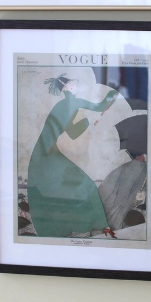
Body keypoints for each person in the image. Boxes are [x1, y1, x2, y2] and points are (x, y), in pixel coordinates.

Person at [26, 74, 118, 239]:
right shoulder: (71, 102)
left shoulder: (64, 105)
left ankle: (93, 226)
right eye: (73, 84)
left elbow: (72, 133)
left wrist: (90, 122)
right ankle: (100, 225)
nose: (76, 87)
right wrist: (114, 91)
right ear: (66, 88)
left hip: (44, 154)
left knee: (75, 186)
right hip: (46, 155)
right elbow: (100, 106)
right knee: (85, 185)